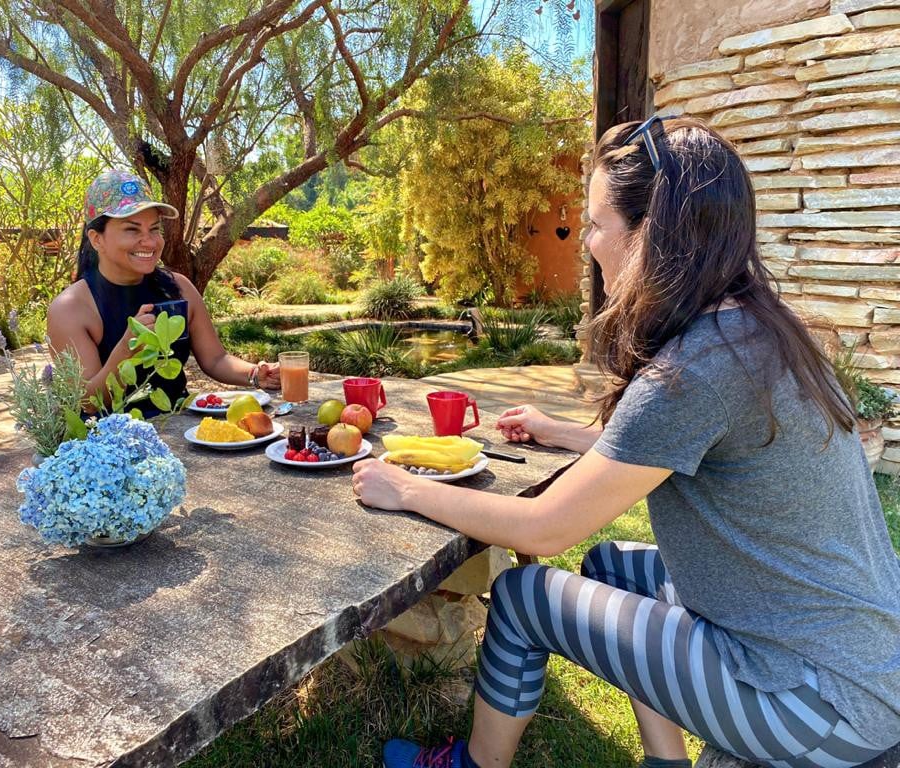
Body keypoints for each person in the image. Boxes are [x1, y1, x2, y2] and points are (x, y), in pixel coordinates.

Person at [353, 117, 900, 768]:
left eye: (593, 224)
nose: (587, 243)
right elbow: (671, 442)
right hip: (863, 660)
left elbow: (543, 530)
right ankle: (664, 760)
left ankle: (473, 765)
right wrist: (564, 433)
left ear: (651, 233)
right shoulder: (757, 332)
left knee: (524, 600)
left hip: (814, 702)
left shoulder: (693, 368)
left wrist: (404, 486)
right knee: (612, 565)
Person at [48, 169, 279, 414]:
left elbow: (215, 359)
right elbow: (89, 403)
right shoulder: (71, 308)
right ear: (96, 239)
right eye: (132, 229)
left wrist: (256, 375)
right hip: (110, 445)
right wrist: (126, 351)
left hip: (181, 432)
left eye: (155, 229)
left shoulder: (178, 287)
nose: (149, 241)